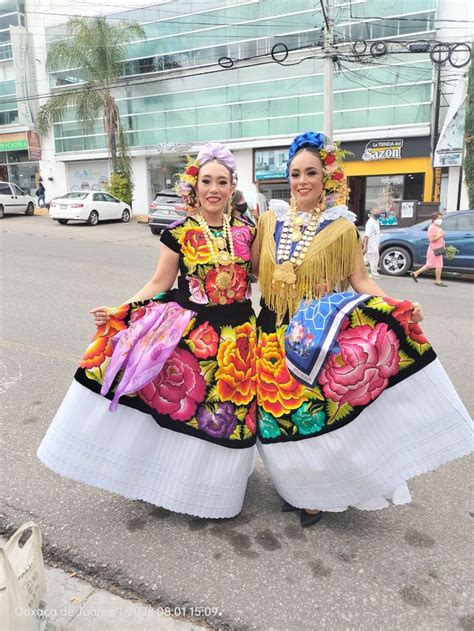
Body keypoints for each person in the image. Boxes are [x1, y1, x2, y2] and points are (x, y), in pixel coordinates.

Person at [253, 131, 472, 528]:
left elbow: (360, 280)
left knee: (310, 417)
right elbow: (251, 269)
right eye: (295, 173)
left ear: (327, 178)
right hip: (268, 332)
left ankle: (315, 495)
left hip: (313, 337)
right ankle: (291, 486)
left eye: (311, 173)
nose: (302, 181)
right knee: (272, 417)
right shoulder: (270, 220)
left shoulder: (342, 230)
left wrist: (397, 307)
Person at [37, 142, 258, 519]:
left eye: (222, 181)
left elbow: (256, 275)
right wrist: (121, 310)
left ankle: (214, 488)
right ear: (195, 184)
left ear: (232, 186)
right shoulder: (179, 232)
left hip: (238, 335)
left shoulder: (248, 232)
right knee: (180, 409)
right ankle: (163, 480)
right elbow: (159, 282)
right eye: (207, 180)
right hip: (193, 334)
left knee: (226, 413)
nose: (214, 189)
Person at [411, 212, 447, 287]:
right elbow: (432, 239)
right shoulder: (432, 228)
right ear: (433, 219)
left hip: (437, 249)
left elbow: (440, 239)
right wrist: (441, 235)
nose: (440, 220)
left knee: (433, 264)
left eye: (441, 218)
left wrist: (443, 245)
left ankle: (415, 273)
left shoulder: (437, 227)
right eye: (438, 218)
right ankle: (438, 281)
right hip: (434, 249)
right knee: (437, 265)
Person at [363, 207, 382, 278]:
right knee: (374, 259)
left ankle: (358, 270)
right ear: (372, 213)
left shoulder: (376, 221)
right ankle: (374, 273)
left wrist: (378, 244)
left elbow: (377, 234)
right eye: (376, 213)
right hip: (371, 245)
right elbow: (366, 236)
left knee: (366, 260)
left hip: (374, 244)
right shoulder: (370, 223)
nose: (378, 214)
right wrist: (366, 247)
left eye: (379, 213)